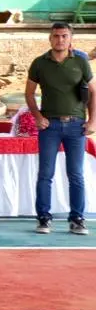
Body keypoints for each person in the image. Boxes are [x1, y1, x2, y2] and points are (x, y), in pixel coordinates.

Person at [26, 21, 95, 235]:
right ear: (50, 38)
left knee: (76, 174)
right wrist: (38, 116)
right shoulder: (39, 63)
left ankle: (77, 219)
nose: (60, 40)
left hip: (76, 126)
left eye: (64, 36)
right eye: (56, 36)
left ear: (70, 38)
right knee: (45, 174)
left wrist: (92, 121)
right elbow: (29, 93)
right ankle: (44, 218)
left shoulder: (81, 62)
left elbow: (93, 92)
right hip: (50, 126)